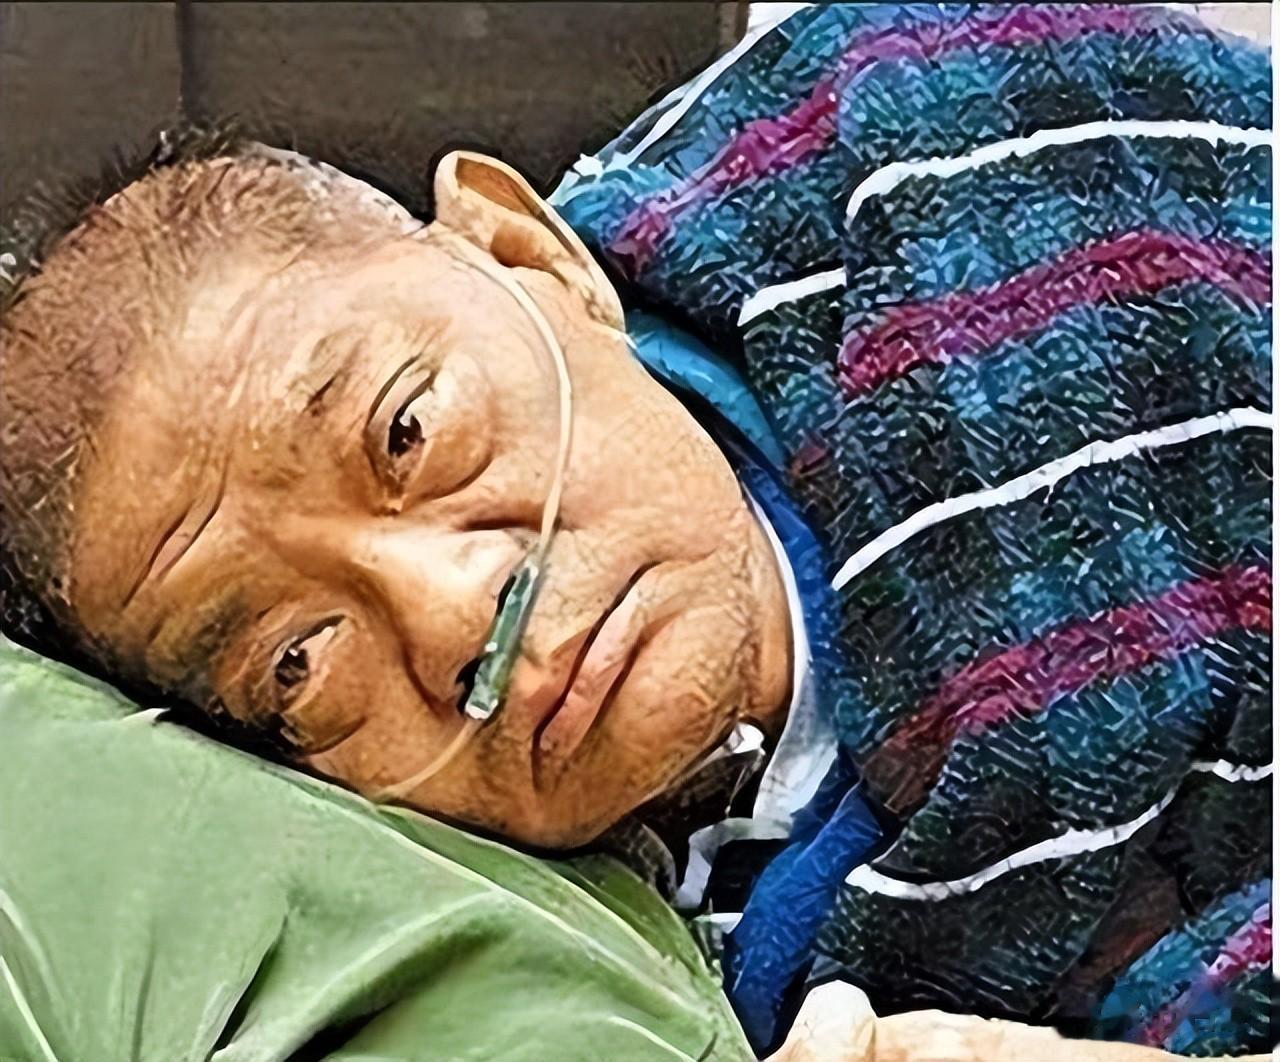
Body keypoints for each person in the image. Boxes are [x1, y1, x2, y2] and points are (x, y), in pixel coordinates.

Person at [0, 4, 1270, 1058]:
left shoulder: (973, 139)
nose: (453, 614)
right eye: (298, 660)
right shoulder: (578, 983)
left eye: (407, 433)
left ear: (529, 256)